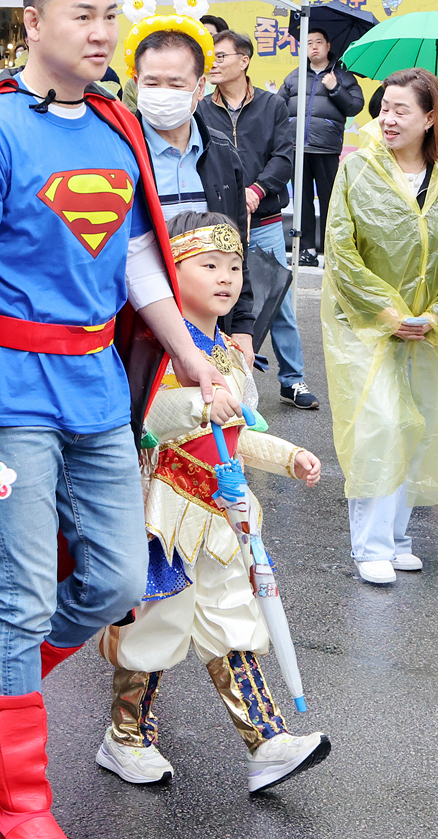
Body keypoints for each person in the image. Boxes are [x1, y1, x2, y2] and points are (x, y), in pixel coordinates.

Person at [0, 0, 234, 839]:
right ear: (34, 22)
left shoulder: (118, 129)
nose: (101, 29)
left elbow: (135, 263)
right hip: (6, 398)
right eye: (82, 14)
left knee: (119, 578)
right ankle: (23, 797)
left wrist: (193, 357)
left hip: (91, 391)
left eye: (110, 11)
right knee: (22, 592)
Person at [95, 211, 329, 791]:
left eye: (234, 266)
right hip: (166, 512)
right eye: (209, 265)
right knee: (157, 627)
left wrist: (287, 455)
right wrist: (201, 406)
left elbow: (237, 433)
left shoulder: (227, 352)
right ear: (170, 272)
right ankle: (126, 738)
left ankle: (268, 742)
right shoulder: (153, 345)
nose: (226, 277)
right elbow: (144, 421)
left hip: (224, 518)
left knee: (232, 624)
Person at [321, 68, 438, 584]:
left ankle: (398, 538)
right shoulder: (358, 171)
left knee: (414, 431)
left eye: (400, 110)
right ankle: (369, 546)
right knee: (379, 427)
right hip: (366, 328)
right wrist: (386, 314)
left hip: (428, 329)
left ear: (431, 118)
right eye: (384, 108)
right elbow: (341, 252)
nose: (387, 119)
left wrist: (435, 314)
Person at [200, 30, 317, 413]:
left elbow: (284, 157)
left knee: (275, 301)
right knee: (213, 299)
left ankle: (292, 379)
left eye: (220, 56)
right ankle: (220, 379)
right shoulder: (201, 108)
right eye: (211, 57)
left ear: (244, 60)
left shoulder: (272, 106)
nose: (213, 63)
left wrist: (256, 190)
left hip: (263, 218)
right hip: (218, 221)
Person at [126, 16, 255, 357]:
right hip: (136, 319)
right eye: (151, 84)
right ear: (136, 82)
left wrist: (242, 326)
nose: (162, 94)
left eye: (176, 84)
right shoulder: (120, 153)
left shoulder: (223, 154)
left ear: (200, 87)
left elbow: (237, 245)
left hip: (206, 322)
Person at [286, 26, 364, 267]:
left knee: (331, 200)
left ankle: (332, 250)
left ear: (328, 46)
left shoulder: (342, 76)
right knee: (302, 200)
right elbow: (278, 107)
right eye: (309, 43)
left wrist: (335, 89)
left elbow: (355, 106)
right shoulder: (295, 76)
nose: (314, 47)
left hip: (326, 148)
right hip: (297, 148)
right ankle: (306, 249)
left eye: (318, 42)